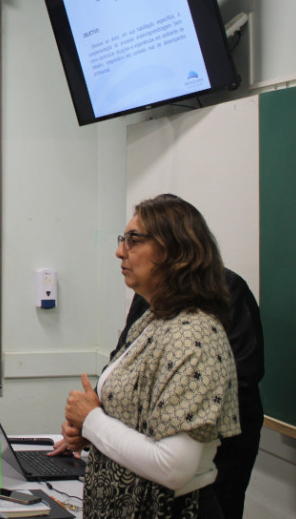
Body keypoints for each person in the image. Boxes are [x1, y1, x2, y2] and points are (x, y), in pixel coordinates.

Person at [62, 194, 241, 518]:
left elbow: (173, 467)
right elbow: (139, 422)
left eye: (133, 240)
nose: (120, 251)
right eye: (122, 239)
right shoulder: (154, 321)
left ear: (176, 252)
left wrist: (93, 421)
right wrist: (89, 433)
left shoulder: (195, 336)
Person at [111, 269, 264, 519]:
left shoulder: (225, 293)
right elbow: (121, 362)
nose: (122, 252)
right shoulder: (148, 297)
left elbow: (241, 382)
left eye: (135, 240)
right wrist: (90, 414)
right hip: (151, 459)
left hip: (213, 461)